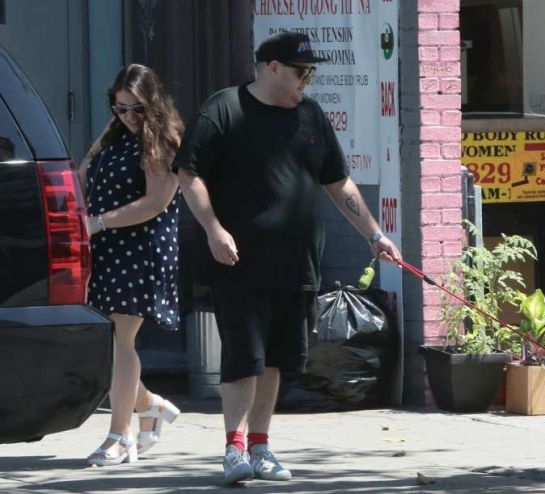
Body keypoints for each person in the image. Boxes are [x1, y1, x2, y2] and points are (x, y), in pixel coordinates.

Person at [174, 31, 401, 484]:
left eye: (312, 72)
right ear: (272, 67)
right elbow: (189, 175)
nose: (307, 81)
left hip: (296, 264)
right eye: (301, 72)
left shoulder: (311, 117)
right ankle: (233, 449)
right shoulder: (225, 109)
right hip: (235, 262)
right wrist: (214, 229)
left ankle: (261, 446)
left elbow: (339, 184)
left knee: (276, 360)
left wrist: (375, 235)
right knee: (244, 358)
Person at [80, 64, 184, 466]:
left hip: (141, 248)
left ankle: (119, 435)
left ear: (152, 103)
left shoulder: (162, 140)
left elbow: (156, 202)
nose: (126, 117)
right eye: (119, 108)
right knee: (110, 343)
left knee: (120, 339)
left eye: (135, 109)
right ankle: (151, 405)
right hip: (106, 245)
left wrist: (99, 222)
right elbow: (82, 174)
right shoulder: (113, 135)